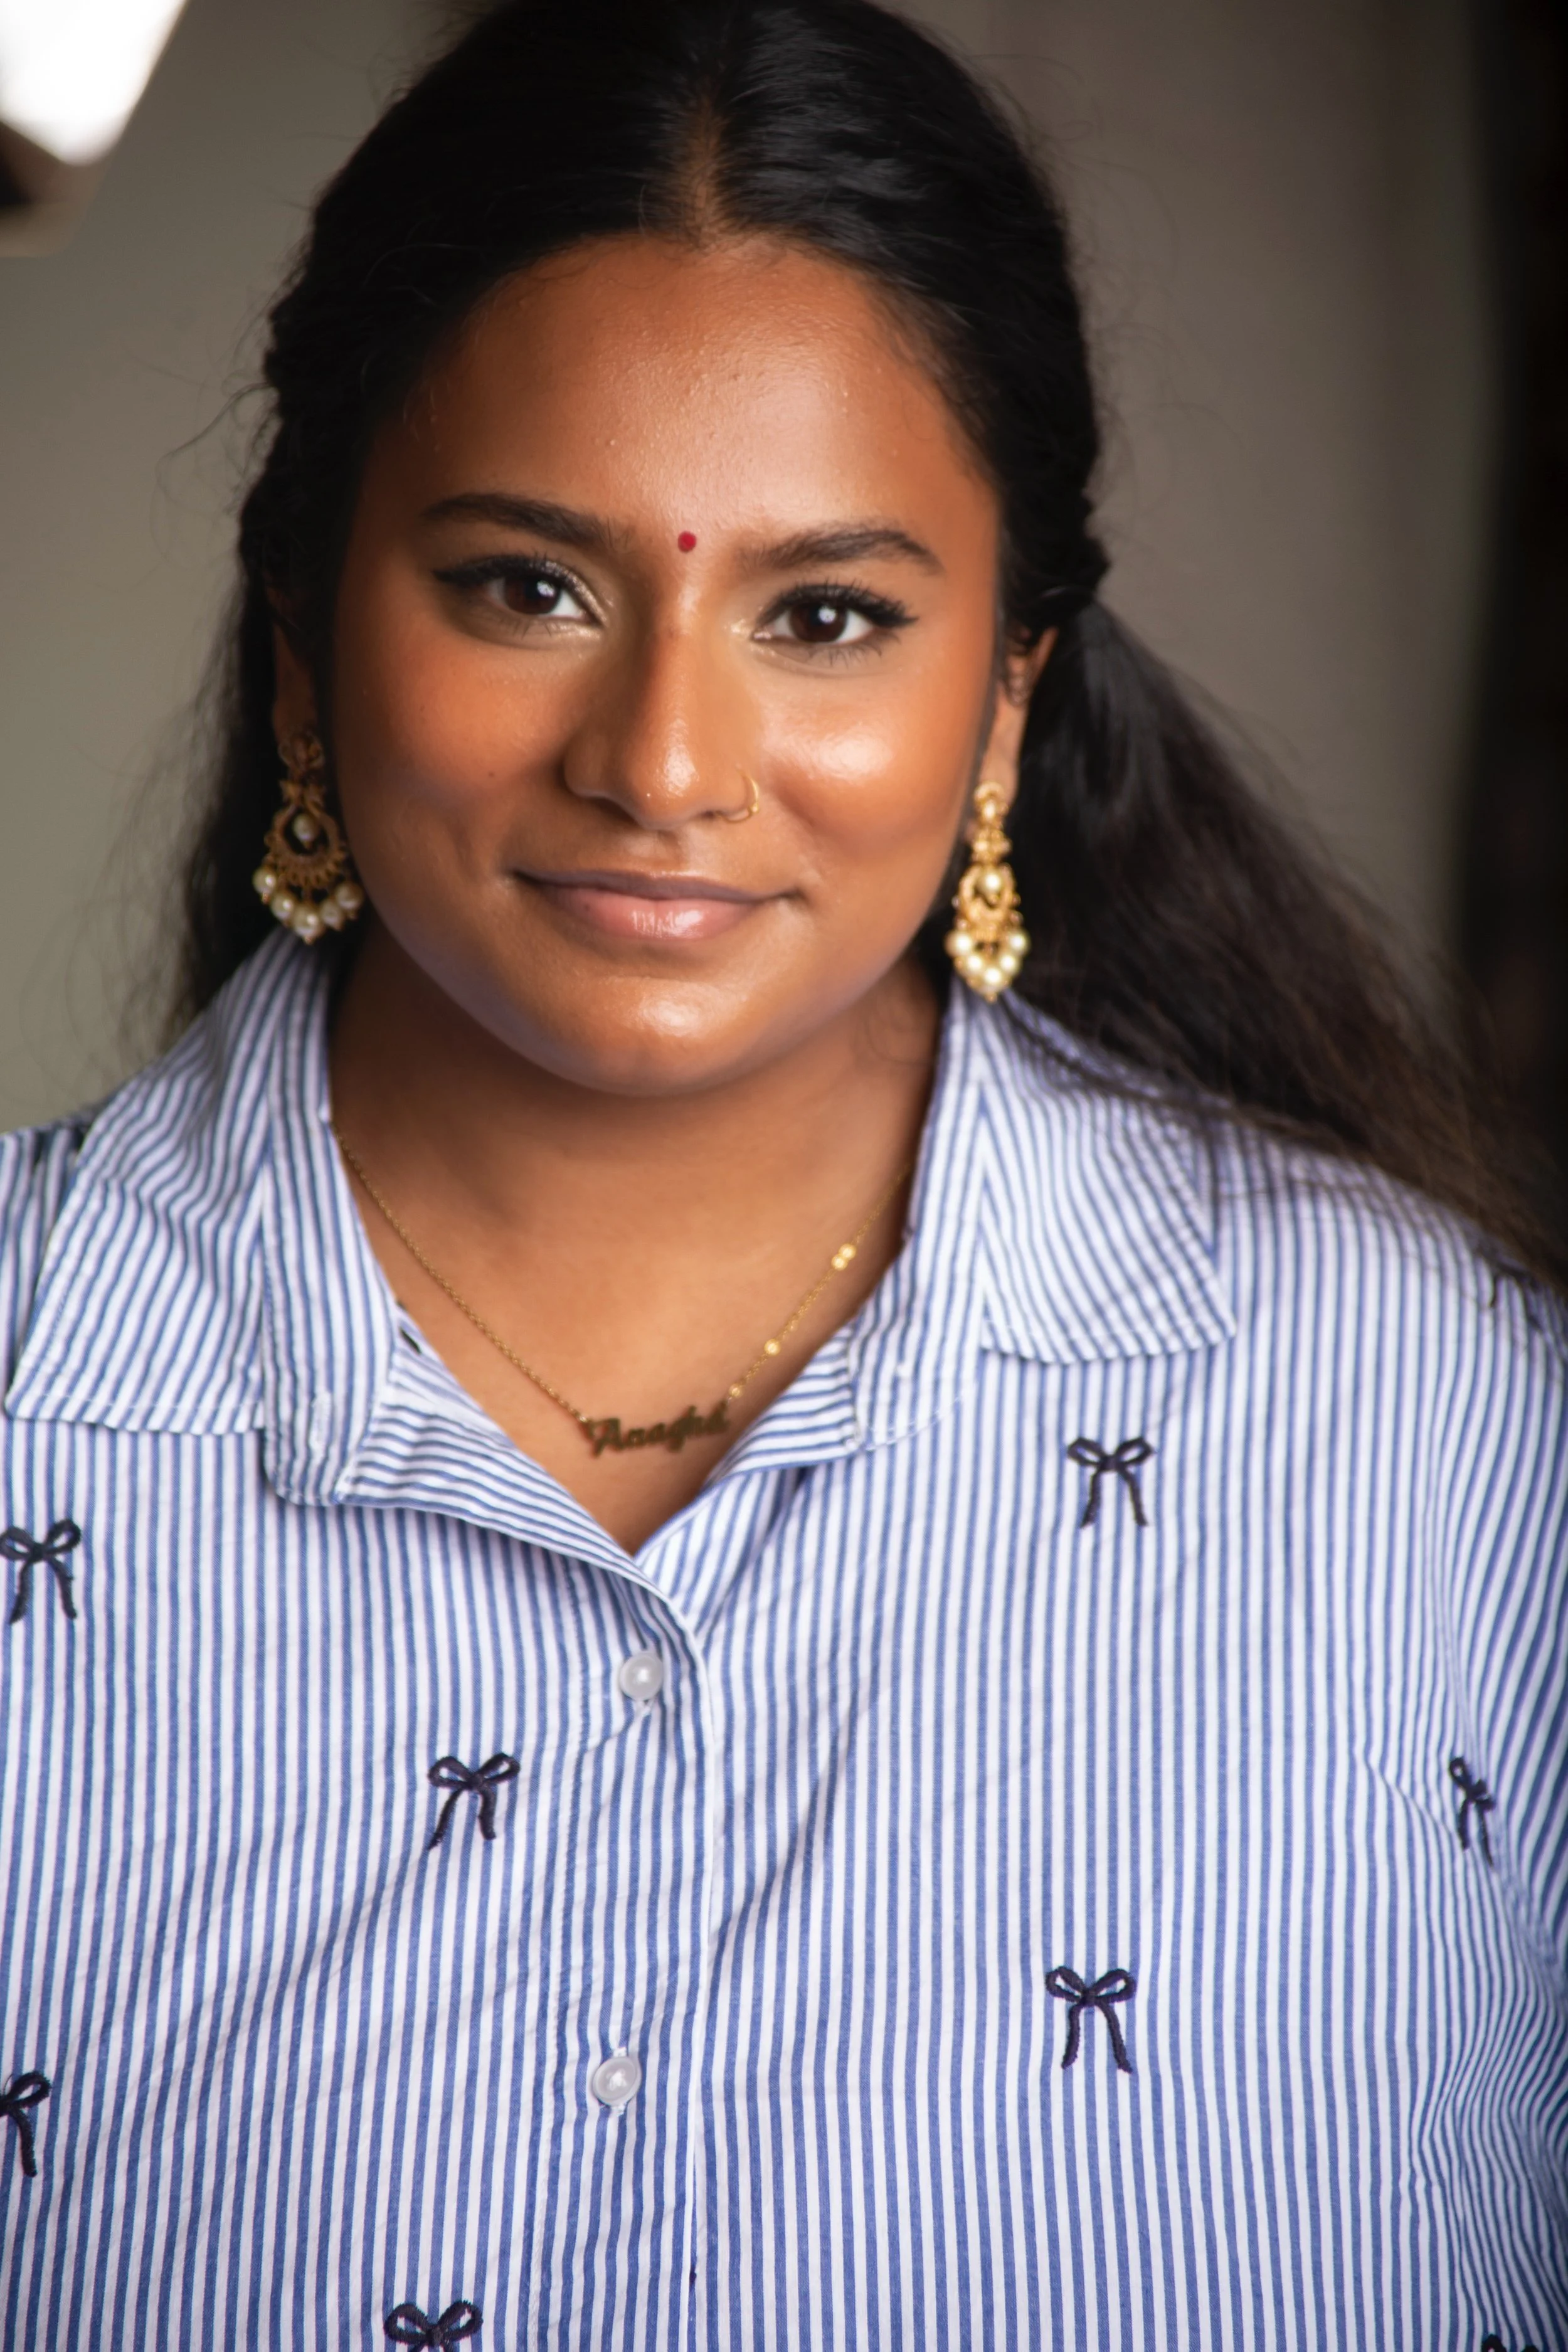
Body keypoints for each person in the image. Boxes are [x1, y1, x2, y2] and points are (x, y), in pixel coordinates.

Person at [1, 1, 1563, 2342]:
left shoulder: (1432, 1425)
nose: (663, 760)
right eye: (527, 585)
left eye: (824, 617)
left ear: (1006, 696)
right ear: (309, 639)